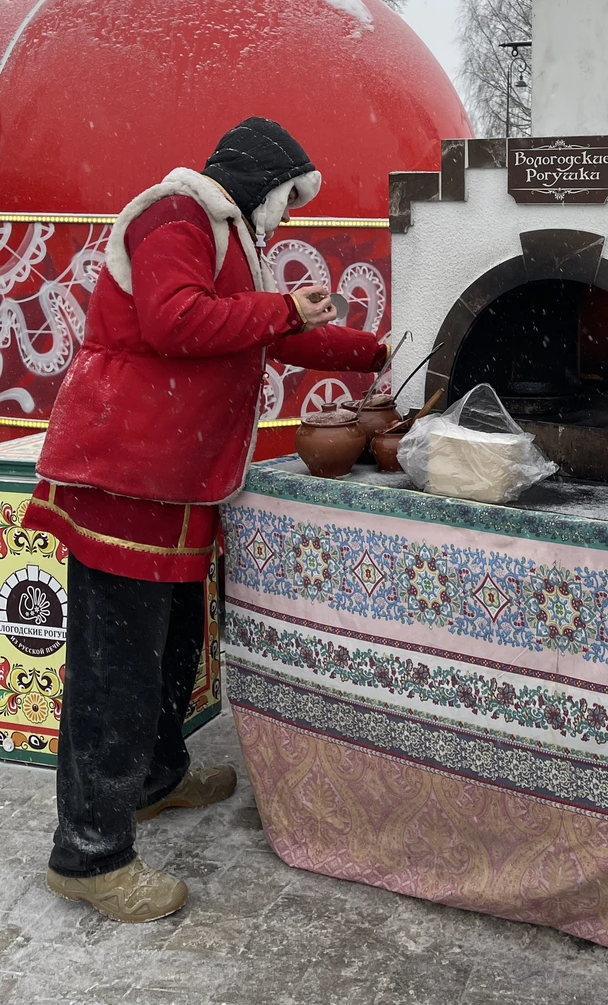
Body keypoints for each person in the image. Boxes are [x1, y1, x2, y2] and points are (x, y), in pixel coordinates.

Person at [23, 118, 387, 924]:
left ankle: (153, 778)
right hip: (127, 478)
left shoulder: (230, 238)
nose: (289, 217)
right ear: (264, 183)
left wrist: (375, 354)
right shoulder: (174, 216)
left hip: (177, 488)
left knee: (173, 646)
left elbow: (264, 333)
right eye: (289, 200)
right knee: (113, 668)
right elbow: (175, 320)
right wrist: (283, 307)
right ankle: (89, 854)